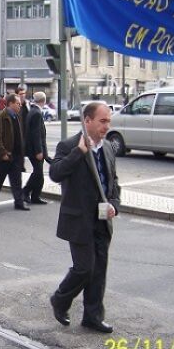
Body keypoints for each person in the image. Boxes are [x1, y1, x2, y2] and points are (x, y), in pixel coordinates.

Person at [49, 102, 120, 334]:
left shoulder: (108, 147)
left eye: (109, 121)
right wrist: (79, 151)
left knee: (99, 270)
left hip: (102, 218)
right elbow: (55, 173)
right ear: (87, 121)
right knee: (84, 268)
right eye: (102, 121)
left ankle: (93, 316)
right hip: (79, 219)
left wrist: (114, 205)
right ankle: (60, 299)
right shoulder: (69, 145)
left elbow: (114, 182)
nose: (106, 126)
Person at [0, 93, 29, 211]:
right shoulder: (2, 117)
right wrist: (3, 153)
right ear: (10, 104)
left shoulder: (17, 116)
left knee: (17, 180)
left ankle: (19, 202)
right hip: (4, 155)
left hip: (16, 155)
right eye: (18, 103)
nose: (20, 105)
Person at [23, 92, 49, 205]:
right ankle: (25, 192)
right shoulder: (37, 113)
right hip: (35, 150)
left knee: (39, 174)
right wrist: (39, 151)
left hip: (32, 149)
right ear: (44, 100)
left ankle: (35, 196)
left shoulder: (32, 111)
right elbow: (36, 134)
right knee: (38, 173)